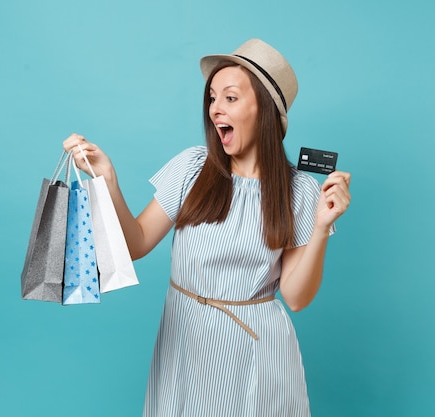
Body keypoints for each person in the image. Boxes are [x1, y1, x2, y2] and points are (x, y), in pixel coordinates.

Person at [63, 38, 351, 417]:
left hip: (256, 353)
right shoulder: (191, 168)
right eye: (212, 98)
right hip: (182, 342)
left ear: (263, 109)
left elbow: (295, 298)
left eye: (230, 98)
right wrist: (108, 180)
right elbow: (135, 243)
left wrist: (320, 229)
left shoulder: (299, 191)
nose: (215, 109)